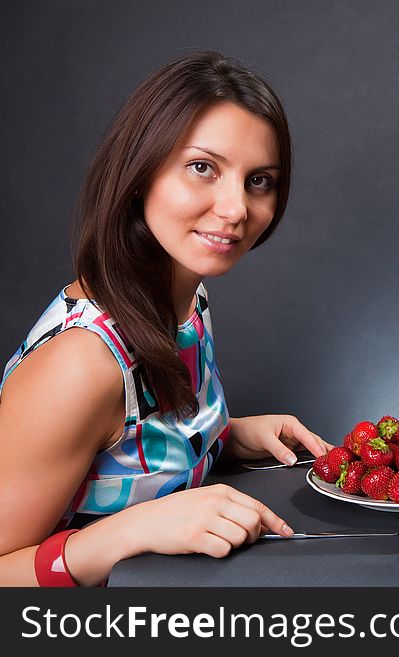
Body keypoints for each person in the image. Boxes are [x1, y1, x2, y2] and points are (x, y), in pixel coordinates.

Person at [0, 51, 331, 586]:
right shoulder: (82, 365)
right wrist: (129, 532)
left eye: (259, 181)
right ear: (139, 173)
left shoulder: (187, 297)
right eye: (203, 168)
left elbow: (125, 449)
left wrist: (224, 434)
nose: (235, 209)